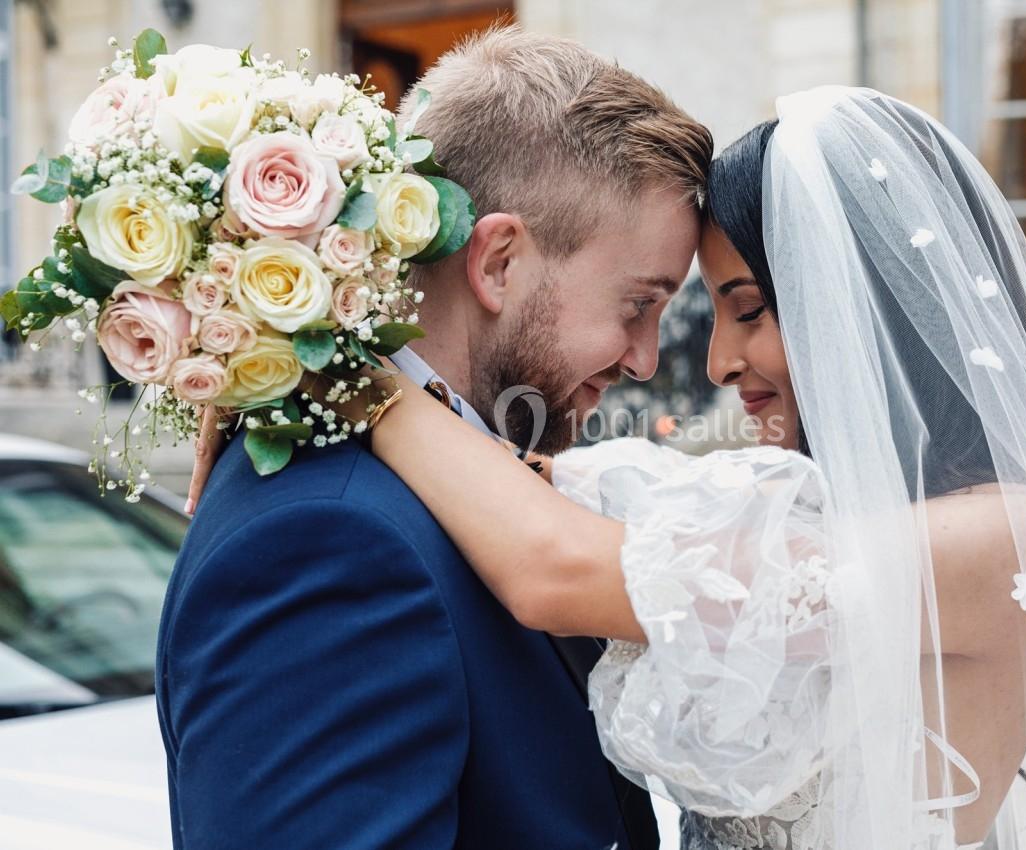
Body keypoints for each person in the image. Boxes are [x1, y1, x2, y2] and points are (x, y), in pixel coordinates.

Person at [228, 87, 1026, 849]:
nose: (716, 360)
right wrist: (260, 366)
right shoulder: (804, 510)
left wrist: (354, 380)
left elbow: (558, 568)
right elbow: (529, 486)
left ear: (861, 312)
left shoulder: (1010, 538)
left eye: (748, 308)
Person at [159, 26, 711, 850]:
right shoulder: (328, 542)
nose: (642, 358)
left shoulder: (475, 470)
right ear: (497, 263)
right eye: (637, 304)